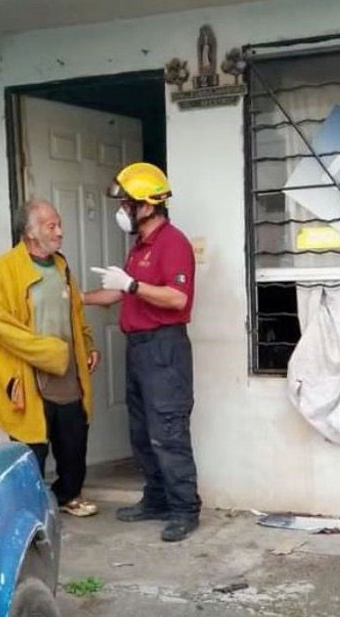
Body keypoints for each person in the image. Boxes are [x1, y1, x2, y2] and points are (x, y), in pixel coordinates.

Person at [83, 162, 201, 542]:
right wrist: (77, 298)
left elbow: (177, 296)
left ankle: (184, 509)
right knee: (141, 431)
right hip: (138, 350)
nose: (123, 211)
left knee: (167, 430)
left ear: (148, 205)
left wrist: (133, 285)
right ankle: (156, 500)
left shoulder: (173, 243)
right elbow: (117, 294)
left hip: (164, 348)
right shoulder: (140, 246)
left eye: (127, 204)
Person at [0, 199, 101, 517]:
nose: (60, 232)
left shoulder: (61, 266)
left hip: (66, 370)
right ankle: (29, 507)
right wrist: (47, 353)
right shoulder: (7, 268)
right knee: (32, 445)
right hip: (27, 372)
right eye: (52, 226)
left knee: (73, 436)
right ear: (30, 232)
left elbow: (76, 312)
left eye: (58, 224)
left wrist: (87, 345)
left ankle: (68, 495)